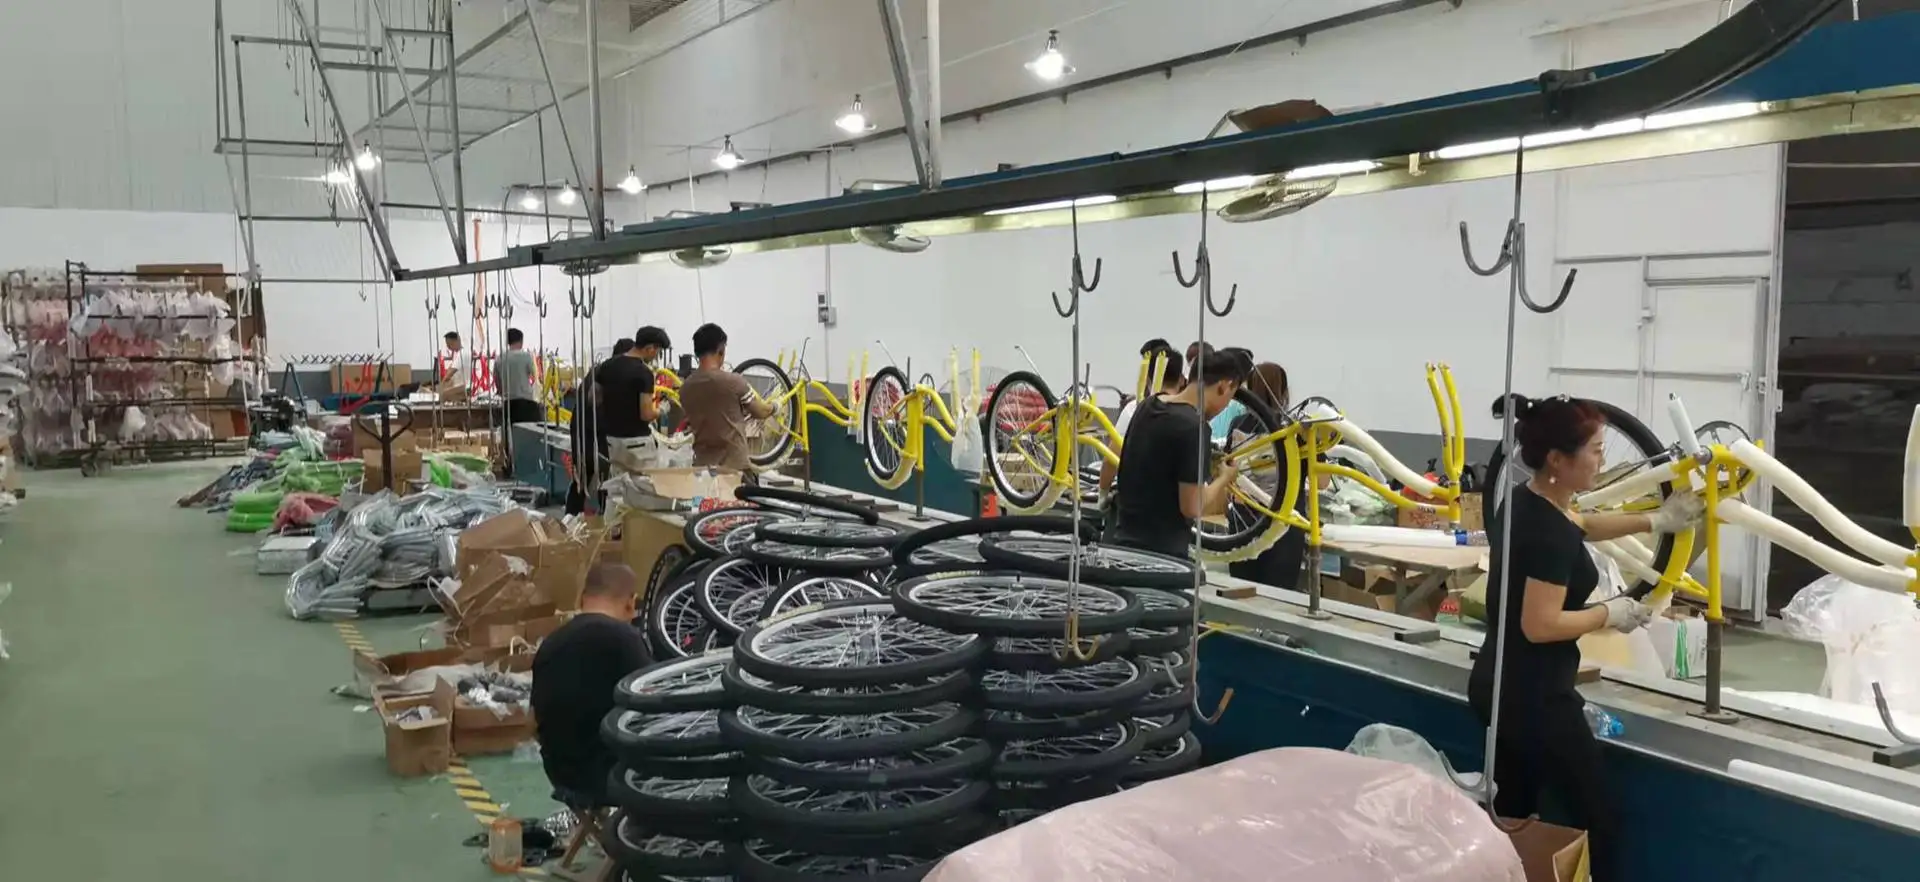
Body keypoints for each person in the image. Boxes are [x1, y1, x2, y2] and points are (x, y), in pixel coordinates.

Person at [1467, 394, 1702, 880]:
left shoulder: (1528, 500)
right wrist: (1607, 613)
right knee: (1599, 821)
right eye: (1595, 450)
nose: (1602, 460)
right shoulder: (1548, 533)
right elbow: (1540, 624)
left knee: (1516, 815)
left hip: (1500, 684)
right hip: (1535, 698)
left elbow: (1584, 525)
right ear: (1558, 459)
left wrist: (1658, 520)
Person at [532, 562, 653, 811]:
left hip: (561, 775)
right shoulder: (625, 639)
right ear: (631, 603)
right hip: (613, 776)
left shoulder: (551, 643)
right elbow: (652, 703)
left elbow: (532, 722)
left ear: (582, 598)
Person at [1107, 349, 1249, 558]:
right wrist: (1224, 479)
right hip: (1162, 557)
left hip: (1123, 543)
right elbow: (1192, 506)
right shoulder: (1194, 428)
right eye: (1229, 397)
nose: (1225, 406)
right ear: (1223, 386)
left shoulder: (1148, 405)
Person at [1226, 362, 1313, 589]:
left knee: (1241, 595)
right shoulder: (1297, 430)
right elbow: (1321, 482)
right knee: (1278, 598)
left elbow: (1227, 472)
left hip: (1243, 524)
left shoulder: (1238, 425)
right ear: (1283, 391)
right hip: (1284, 525)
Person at [679, 323, 774, 471]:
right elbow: (760, 412)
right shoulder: (733, 382)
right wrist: (775, 407)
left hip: (701, 470)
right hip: (733, 471)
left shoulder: (685, 389)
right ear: (721, 350)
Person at [1100, 340, 1183, 498]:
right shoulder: (1191, 414)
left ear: (1148, 378)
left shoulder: (1134, 410)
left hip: (1136, 500)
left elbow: (1111, 459)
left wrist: (1102, 494)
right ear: (1181, 379)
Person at [565, 338, 633, 515]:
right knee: (606, 480)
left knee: (582, 479)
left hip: (582, 430)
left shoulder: (597, 371)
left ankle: (570, 518)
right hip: (595, 433)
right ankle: (605, 518)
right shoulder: (610, 374)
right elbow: (597, 403)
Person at [596, 327, 671, 476]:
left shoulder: (607, 366)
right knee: (644, 485)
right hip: (637, 444)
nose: (656, 357)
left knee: (619, 483)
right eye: (657, 352)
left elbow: (595, 398)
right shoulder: (644, 373)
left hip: (612, 441)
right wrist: (662, 409)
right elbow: (646, 414)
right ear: (650, 348)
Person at [495, 328, 541, 466]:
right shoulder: (526, 356)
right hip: (527, 403)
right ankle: (530, 465)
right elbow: (535, 376)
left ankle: (511, 465)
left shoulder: (499, 359)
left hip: (509, 404)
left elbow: (497, 384)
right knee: (531, 437)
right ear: (521, 341)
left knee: (510, 438)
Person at [436, 331, 473, 400]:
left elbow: (449, 374)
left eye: (450, 344)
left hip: (465, 387)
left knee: (442, 395)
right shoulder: (460, 353)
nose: (449, 347)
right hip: (462, 385)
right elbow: (450, 369)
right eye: (447, 345)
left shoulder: (462, 354)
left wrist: (440, 386)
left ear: (457, 341)